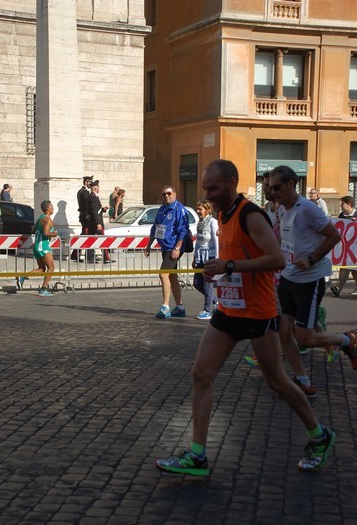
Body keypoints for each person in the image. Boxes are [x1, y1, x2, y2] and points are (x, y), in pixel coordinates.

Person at [155, 159, 336, 476]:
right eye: (205, 188)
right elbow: (234, 258)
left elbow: (276, 259)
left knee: (277, 381)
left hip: (258, 311)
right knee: (201, 373)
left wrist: (229, 267)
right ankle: (197, 455)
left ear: (231, 183)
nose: (208, 194)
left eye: (213, 188)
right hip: (228, 308)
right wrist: (221, 270)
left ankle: (319, 435)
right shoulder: (221, 215)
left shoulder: (251, 214)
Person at [269, 166, 357, 399]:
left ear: (291, 184)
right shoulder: (282, 210)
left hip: (309, 280)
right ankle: (303, 381)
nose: (273, 191)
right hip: (288, 278)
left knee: (304, 338)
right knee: (284, 332)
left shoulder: (308, 209)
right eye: (270, 187)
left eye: (277, 187)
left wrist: (311, 258)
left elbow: (334, 236)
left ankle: (348, 339)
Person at [144, 184, 190, 319]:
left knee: (163, 274)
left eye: (169, 193)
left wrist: (177, 248)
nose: (166, 196)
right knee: (172, 276)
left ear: (174, 194)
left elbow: (183, 229)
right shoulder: (162, 209)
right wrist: (149, 245)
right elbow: (155, 227)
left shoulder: (179, 209)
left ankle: (165, 306)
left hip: (173, 247)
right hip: (165, 247)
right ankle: (180, 307)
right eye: (164, 194)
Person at [17, 200, 58, 296]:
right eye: (52, 206)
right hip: (43, 246)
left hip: (37, 246)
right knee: (51, 267)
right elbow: (46, 233)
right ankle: (43, 289)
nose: (53, 208)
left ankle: (22, 277)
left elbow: (33, 230)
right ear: (48, 208)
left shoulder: (40, 218)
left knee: (42, 269)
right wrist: (54, 234)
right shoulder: (47, 219)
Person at [192, 200, 218, 320]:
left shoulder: (213, 223)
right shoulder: (200, 223)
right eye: (197, 209)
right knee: (197, 283)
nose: (198, 211)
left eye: (200, 209)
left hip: (210, 256)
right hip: (200, 256)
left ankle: (207, 310)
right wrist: (194, 257)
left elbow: (216, 241)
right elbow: (197, 241)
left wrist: (217, 258)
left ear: (207, 210)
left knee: (208, 284)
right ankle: (217, 302)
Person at [330, 195, 357, 297]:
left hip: (355, 248)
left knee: (354, 269)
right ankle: (338, 287)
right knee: (344, 267)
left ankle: (339, 287)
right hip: (345, 248)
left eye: (342, 204)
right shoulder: (341, 215)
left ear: (349, 205)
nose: (341, 206)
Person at [86, 180, 115, 264]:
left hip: (91, 222)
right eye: (98, 187)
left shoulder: (90, 196)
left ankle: (90, 257)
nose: (99, 188)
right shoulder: (94, 197)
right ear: (95, 188)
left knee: (91, 240)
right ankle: (106, 258)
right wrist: (98, 223)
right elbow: (94, 211)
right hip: (96, 222)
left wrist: (103, 209)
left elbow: (95, 210)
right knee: (102, 240)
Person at [71, 175, 93, 262]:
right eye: (89, 182)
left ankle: (75, 254)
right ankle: (87, 256)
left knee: (84, 235)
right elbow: (87, 206)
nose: (90, 184)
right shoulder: (85, 192)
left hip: (83, 217)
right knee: (86, 235)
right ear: (85, 182)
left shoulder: (81, 191)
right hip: (86, 217)